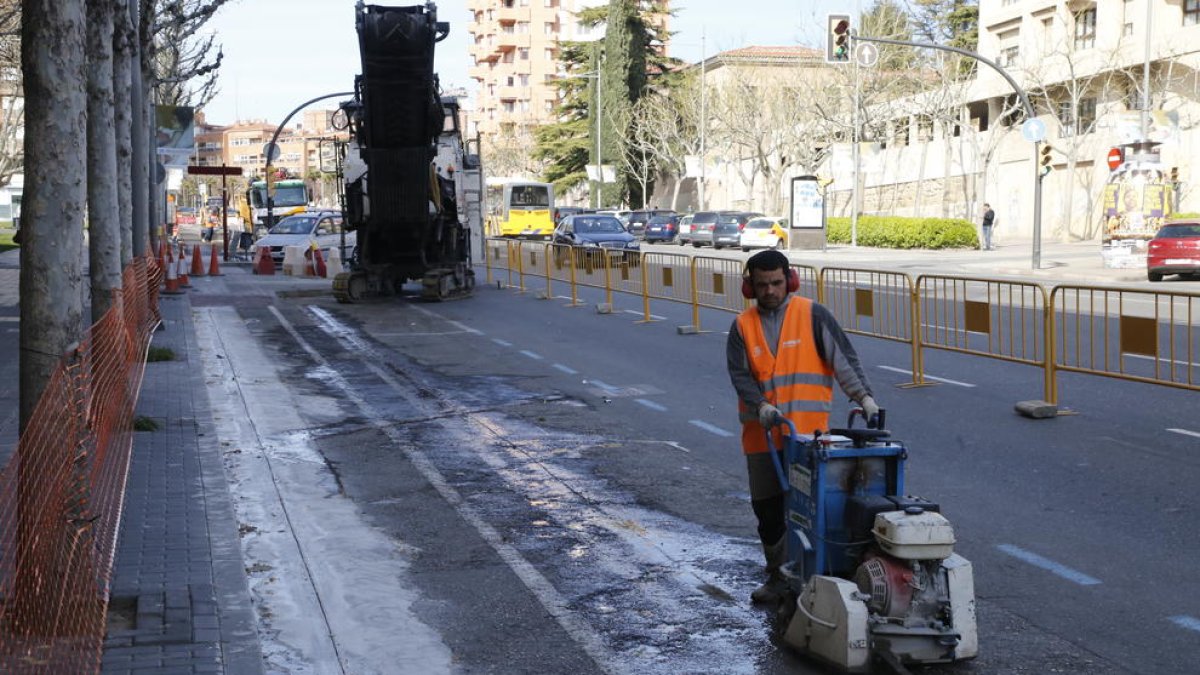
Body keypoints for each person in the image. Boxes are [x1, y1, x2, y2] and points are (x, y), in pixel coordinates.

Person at [726, 249, 879, 606]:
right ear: (750, 286)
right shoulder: (742, 326)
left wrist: (865, 398)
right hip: (762, 440)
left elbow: (844, 361)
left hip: (809, 441)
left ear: (790, 280)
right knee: (768, 513)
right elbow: (740, 376)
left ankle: (816, 579)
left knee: (809, 511)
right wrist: (761, 405)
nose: (770, 291)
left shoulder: (813, 315)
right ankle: (778, 578)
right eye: (762, 285)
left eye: (777, 283)